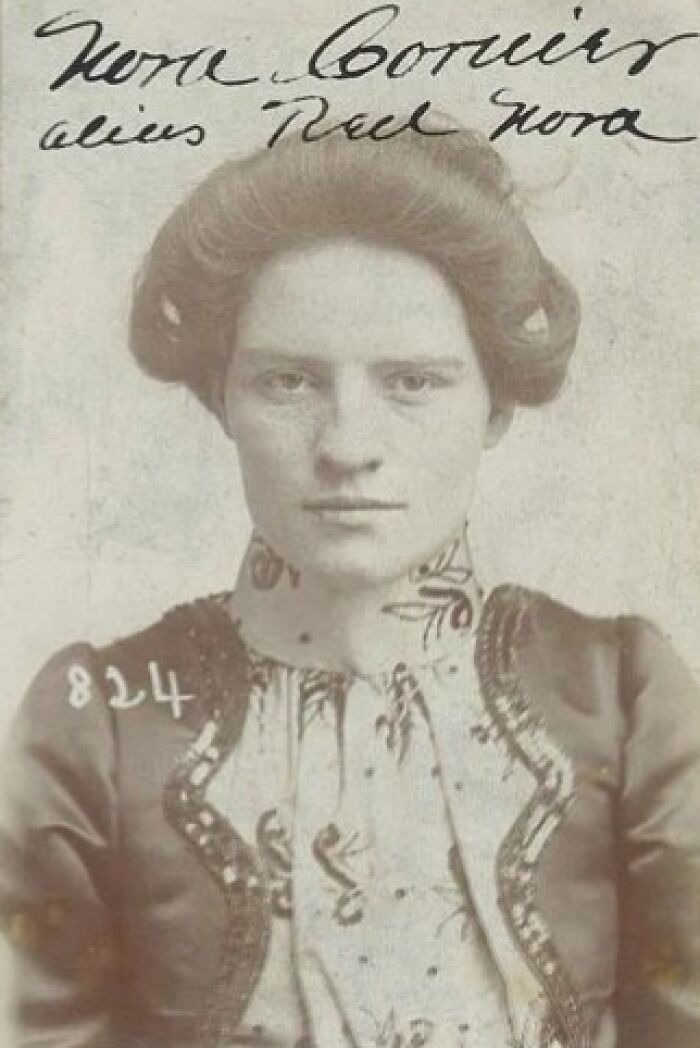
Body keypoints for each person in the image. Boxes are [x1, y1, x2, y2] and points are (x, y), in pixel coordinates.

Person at [1, 125, 699, 1048]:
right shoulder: (96, 720)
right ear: (223, 401)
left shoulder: (622, 696)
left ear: (492, 405)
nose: (346, 446)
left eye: (413, 382)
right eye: (288, 382)